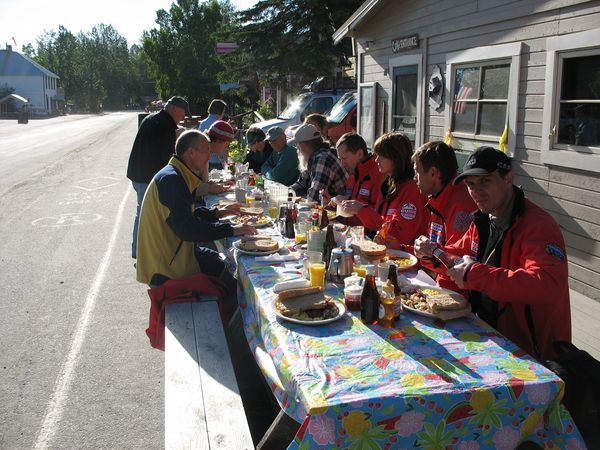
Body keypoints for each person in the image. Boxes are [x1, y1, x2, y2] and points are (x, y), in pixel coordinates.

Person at [414, 146, 571, 360]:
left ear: (508, 178)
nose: (476, 191)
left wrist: (476, 275)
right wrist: (429, 252)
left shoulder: (538, 225)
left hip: (533, 353)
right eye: (470, 184)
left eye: (485, 181)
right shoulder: (483, 218)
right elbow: (458, 257)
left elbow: (547, 284)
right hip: (489, 335)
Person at [136, 129, 256, 288]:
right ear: (191, 153)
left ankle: (233, 304)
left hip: (176, 253)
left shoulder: (176, 173)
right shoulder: (172, 180)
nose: (209, 156)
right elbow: (187, 229)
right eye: (206, 151)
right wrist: (231, 229)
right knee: (230, 278)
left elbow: (185, 213)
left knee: (226, 264)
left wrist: (217, 213)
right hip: (166, 268)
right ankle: (229, 306)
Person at [127, 95, 190, 259]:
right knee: (145, 214)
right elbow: (168, 157)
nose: (183, 118)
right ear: (175, 109)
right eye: (183, 113)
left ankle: (139, 251)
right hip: (146, 176)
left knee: (142, 212)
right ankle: (140, 252)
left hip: (138, 173)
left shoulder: (152, 119)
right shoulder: (165, 126)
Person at [340, 132, 428, 247]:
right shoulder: (390, 185)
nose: (376, 160)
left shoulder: (412, 189)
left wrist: (361, 210)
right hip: (386, 252)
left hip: (404, 259)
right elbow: (383, 222)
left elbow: (399, 235)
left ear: (395, 158)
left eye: (381, 156)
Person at [409, 141, 476, 287]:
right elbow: (433, 249)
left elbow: (456, 261)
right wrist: (403, 248)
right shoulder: (440, 196)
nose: (414, 178)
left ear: (433, 173)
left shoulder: (460, 205)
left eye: (417, 172)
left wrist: (426, 252)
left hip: (457, 292)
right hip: (440, 281)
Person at [322, 132, 384, 225]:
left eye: (345, 158)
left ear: (359, 154)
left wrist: (359, 208)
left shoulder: (379, 173)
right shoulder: (353, 172)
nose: (342, 164)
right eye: (340, 159)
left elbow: (382, 216)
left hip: (366, 235)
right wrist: (333, 203)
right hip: (349, 231)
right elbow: (350, 208)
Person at [288, 124, 347, 203]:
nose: (297, 149)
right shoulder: (312, 157)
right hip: (329, 207)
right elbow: (301, 184)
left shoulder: (323, 158)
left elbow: (314, 198)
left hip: (337, 209)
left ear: (303, 145)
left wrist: (300, 199)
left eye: (297, 145)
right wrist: (287, 192)